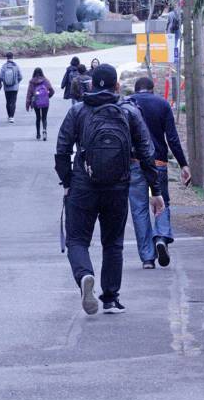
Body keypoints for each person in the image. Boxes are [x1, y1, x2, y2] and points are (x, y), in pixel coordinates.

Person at [55, 63, 164, 315]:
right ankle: (111, 299)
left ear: (91, 84)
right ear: (117, 86)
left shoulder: (78, 111)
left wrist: (67, 182)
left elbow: (62, 151)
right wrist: (155, 191)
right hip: (117, 185)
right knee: (113, 243)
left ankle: (85, 275)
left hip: (83, 185)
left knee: (77, 239)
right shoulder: (129, 111)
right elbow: (147, 153)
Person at [127, 76, 191, 268]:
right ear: (152, 89)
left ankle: (147, 258)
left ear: (136, 89)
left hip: (135, 162)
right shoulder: (162, 104)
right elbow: (172, 138)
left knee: (139, 208)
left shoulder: (127, 105)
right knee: (162, 202)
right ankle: (161, 237)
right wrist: (183, 164)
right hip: (158, 162)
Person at [25, 67, 54, 140]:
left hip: (36, 101)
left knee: (38, 117)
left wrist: (27, 104)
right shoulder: (46, 81)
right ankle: (44, 130)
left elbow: (29, 93)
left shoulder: (32, 82)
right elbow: (52, 91)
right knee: (44, 117)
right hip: (45, 101)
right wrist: (47, 96)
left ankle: (38, 134)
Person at [0, 51, 23, 123]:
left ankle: (9, 116)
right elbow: (20, 77)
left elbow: (1, 77)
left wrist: (5, 82)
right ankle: (12, 117)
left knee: (8, 102)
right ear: (13, 57)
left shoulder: (4, 66)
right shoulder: (16, 66)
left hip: (6, 88)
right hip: (15, 88)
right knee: (13, 102)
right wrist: (16, 82)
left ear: (6, 57)